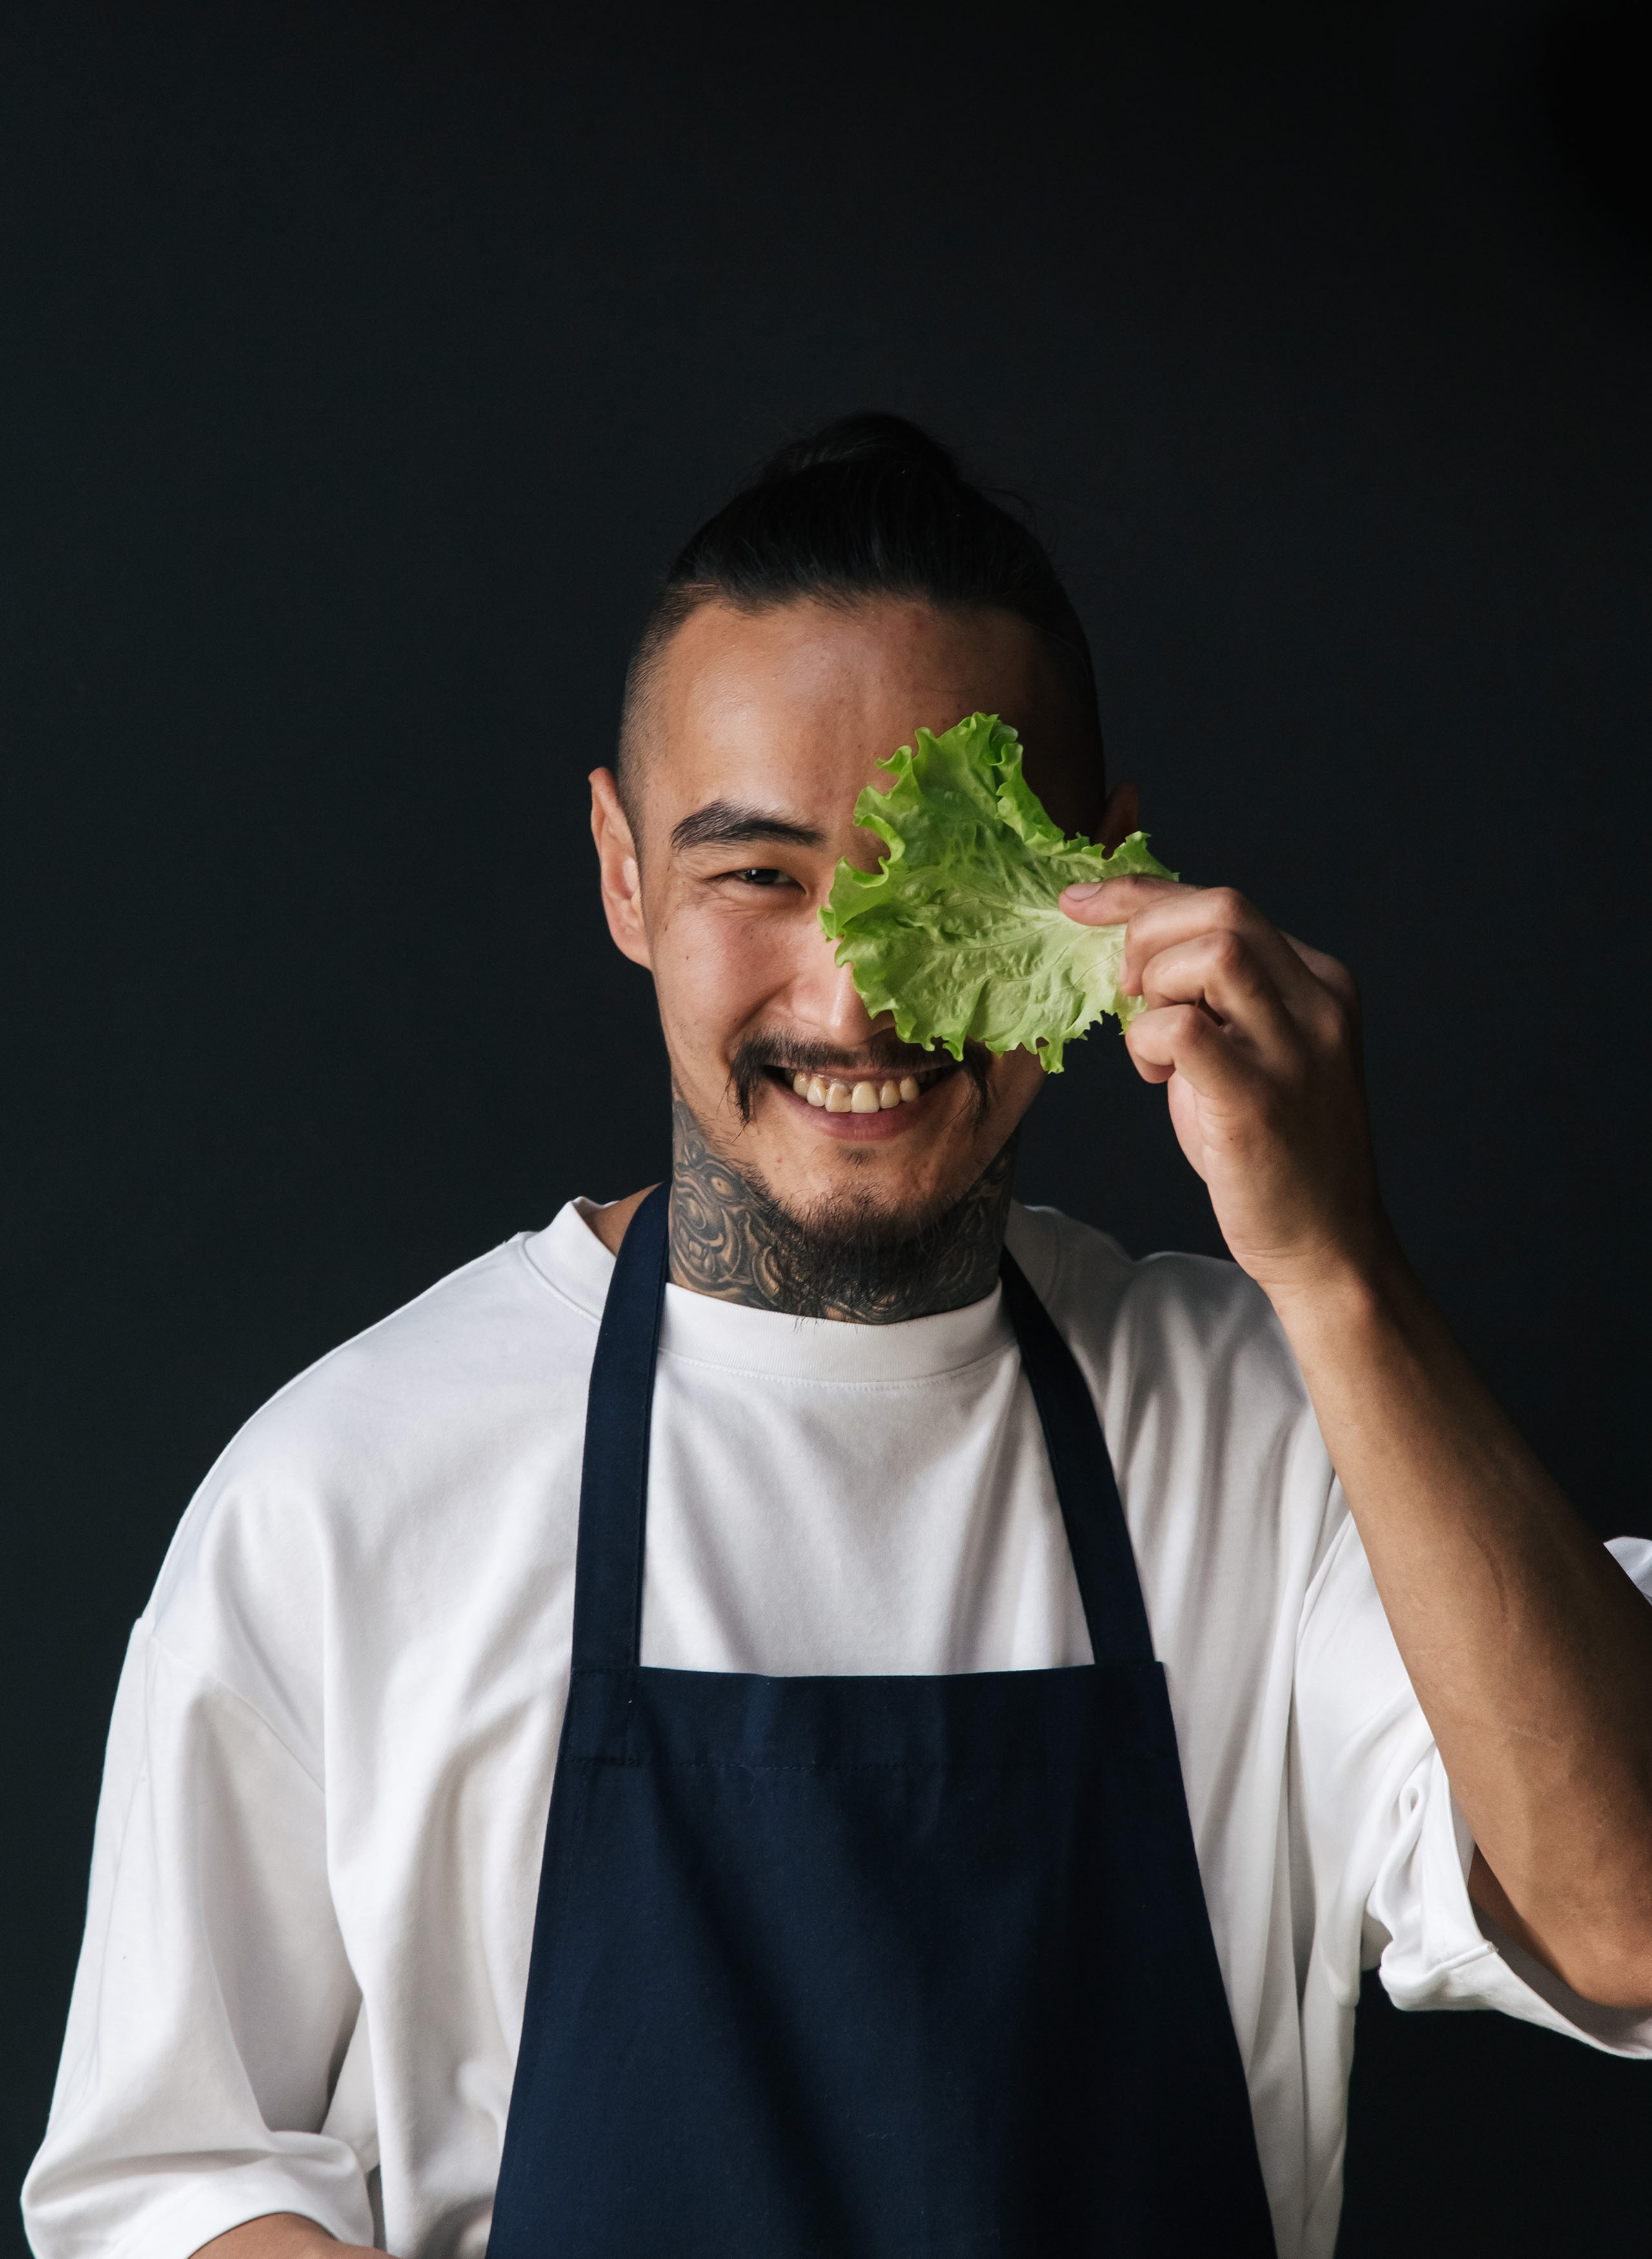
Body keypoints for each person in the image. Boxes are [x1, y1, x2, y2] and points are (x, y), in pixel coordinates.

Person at [23, 415, 1652, 2259]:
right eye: (760, 875)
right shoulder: (346, 1490)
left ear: (1108, 881)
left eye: (942, 884)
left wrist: (1338, 1268)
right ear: (624, 873)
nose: (859, 990)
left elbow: (1627, 1917)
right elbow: (170, 2182)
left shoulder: (1280, 1428)